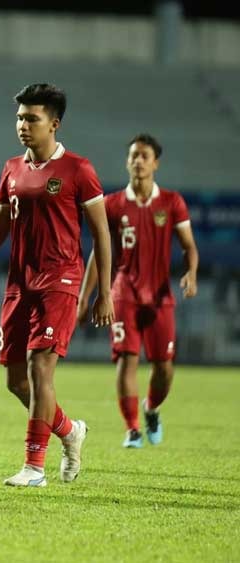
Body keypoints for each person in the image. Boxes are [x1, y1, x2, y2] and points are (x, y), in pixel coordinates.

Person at [0, 83, 114, 487]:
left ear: (54, 124)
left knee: (41, 370)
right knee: (16, 381)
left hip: (60, 281)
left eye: (32, 119)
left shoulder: (78, 170)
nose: (23, 125)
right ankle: (70, 431)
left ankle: (34, 466)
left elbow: (102, 235)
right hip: (19, 283)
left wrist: (103, 292)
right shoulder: (11, 169)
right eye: (20, 117)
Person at [77, 133, 199, 448]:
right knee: (126, 360)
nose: (138, 161)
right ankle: (132, 428)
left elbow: (189, 247)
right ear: (128, 161)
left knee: (164, 367)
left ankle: (151, 408)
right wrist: (84, 297)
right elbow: (98, 253)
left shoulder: (171, 202)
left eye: (144, 155)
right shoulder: (112, 204)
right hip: (123, 294)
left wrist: (191, 272)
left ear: (156, 163)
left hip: (160, 298)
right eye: (133, 155)